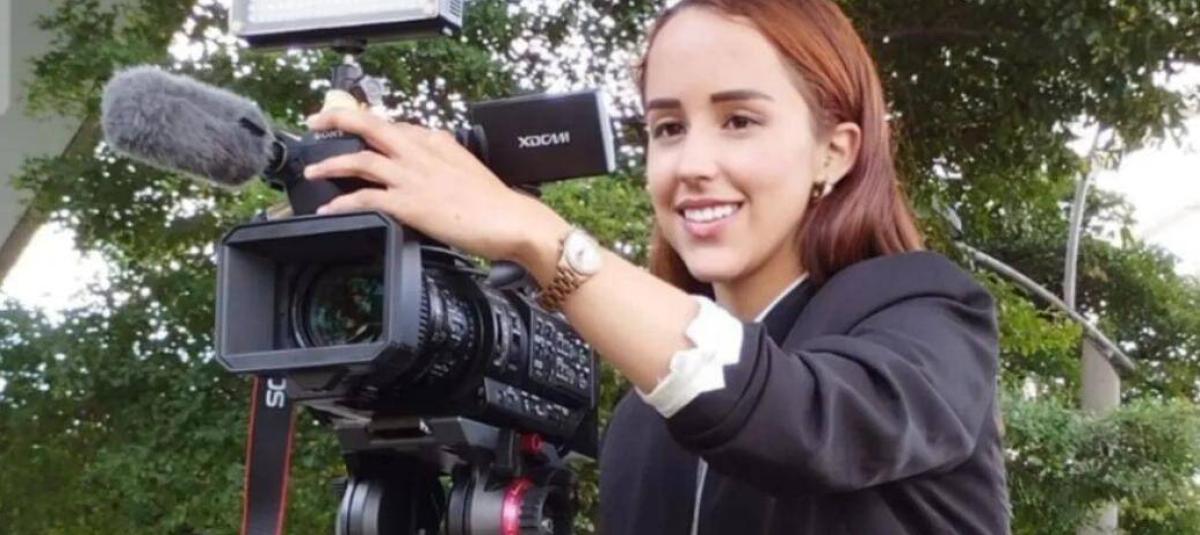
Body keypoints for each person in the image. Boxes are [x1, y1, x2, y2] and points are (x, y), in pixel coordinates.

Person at [301, 0, 1009, 532]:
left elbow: (802, 421)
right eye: (668, 128)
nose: (692, 164)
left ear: (835, 151)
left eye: (739, 121)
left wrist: (537, 237)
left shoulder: (927, 311)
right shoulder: (644, 418)